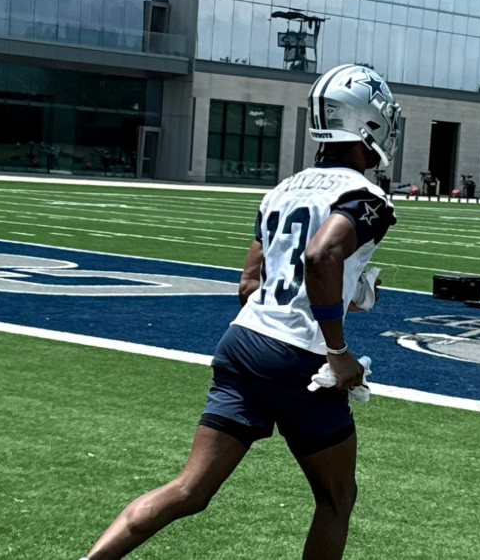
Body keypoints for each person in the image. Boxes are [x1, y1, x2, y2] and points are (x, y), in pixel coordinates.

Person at [79, 64, 403, 560]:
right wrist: (337, 352)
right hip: (298, 357)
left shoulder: (284, 188)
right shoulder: (366, 197)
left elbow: (250, 283)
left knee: (189, 490)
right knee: (337, 498)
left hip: (244, 339)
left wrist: (331, 297)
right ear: (368, 124)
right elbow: (320, 255)